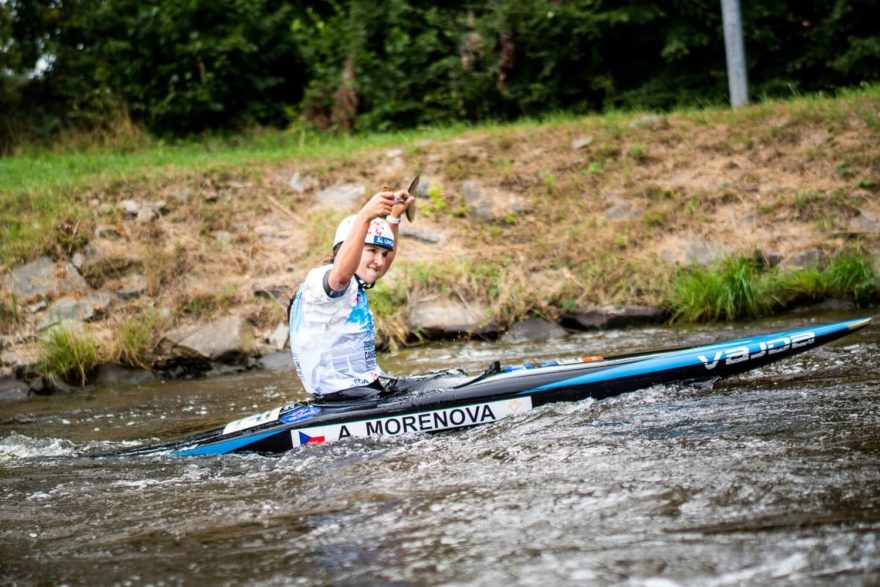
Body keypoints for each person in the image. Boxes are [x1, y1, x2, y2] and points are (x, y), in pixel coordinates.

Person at [288, 188, 414, 402]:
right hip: (342, 397)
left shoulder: (351, 283)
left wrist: (393, 218)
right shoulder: (328, 281)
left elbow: (378, 266)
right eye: (372, 251)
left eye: (384, 254)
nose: (380, 261)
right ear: (346, 250)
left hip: (363, 389)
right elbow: (341, 275)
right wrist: (365, 216)